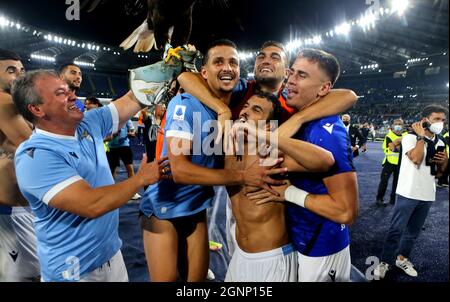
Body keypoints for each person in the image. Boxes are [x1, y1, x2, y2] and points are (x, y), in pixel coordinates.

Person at [139, 40, 287, 282]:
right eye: (218, 62)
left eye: (233, 63)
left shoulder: (240, 94)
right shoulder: (184, 104)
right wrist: (242, 176)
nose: (227, 67)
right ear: (204, 73)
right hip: (163, 207)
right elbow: (180, 171)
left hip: (197, 207)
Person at [12, 69, 170, 282]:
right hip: (74, 271)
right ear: (37, 109)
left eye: (69, 90)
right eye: (61, 93)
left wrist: (168, 65)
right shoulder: (35, 155)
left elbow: (135, 97)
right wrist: (140, 179)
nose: (73, 96)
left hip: (112, 254)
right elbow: (91, 204)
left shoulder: (88, 122)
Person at [249, 49, 359, 282]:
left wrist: (288, 193)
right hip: (304, 236)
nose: (291, 80)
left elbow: (346, 211)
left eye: (302, 75)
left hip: (322, 245)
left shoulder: (325, 131)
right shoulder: (308, 119)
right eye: (291, 73)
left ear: (323, 88)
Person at [225, 92, 335, 282]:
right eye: (246, 106)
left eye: (256, 109)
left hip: (272, 261)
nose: (245, 112)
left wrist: (261, 135)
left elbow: (325, 161)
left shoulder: (272, 154)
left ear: (268, 126)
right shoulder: (231, 149)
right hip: (239, 256)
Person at [374, 105, 448, 280]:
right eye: (437, 119)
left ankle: (402, 259)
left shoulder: (440, 142)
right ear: (425, 120)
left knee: (413, 233)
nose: (441, 123)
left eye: (443, 120)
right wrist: (421, 137)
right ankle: (385, 261)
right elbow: (416, 159)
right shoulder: (409, 138)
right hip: (408, 192)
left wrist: (444, 161)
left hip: (427, 194)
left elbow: (438, 173)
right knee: (396, 230)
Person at [0, 49, 40, 282]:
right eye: (11, 70)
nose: (20, 76)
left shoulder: (14, 103)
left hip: (17, 210)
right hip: (10, 213)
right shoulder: (4, 101)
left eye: (22, 70)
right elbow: (33, 147)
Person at [375, 119, 407, 206]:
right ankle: (379, 199)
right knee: (384, 181)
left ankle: (393, 200)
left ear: (403, 126)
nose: (397, 125)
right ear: (393, 126)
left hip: (401, 163)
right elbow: (393, 148)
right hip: (389, 162)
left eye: (399, 124)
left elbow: (402, 147)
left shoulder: (406, 135)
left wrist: (396, 144)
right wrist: (399, 143)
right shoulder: (389, 135)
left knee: (397, 182)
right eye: (396, 124)